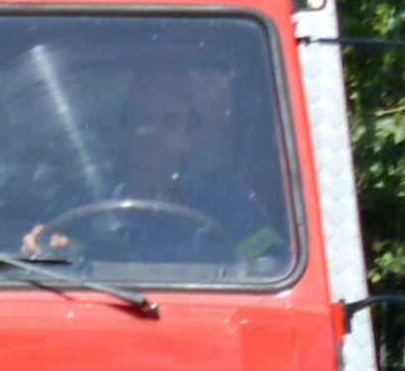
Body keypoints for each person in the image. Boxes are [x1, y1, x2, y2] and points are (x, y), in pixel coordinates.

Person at [19, 69, 279, 264]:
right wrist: (39, 247)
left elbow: (270, 265)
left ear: (191, 137)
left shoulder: (228, 199)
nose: (153, 130)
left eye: (170, 119)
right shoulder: (81, 196)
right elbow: (51, 259)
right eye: (141, 115)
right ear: (123, 129)